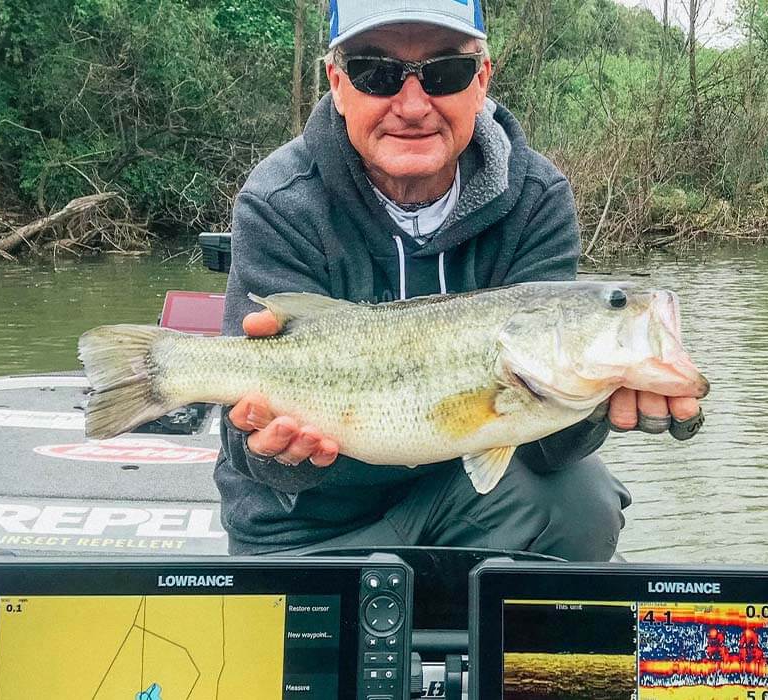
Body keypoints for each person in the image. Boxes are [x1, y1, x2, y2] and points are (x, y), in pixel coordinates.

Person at [214, 0, 703, 558]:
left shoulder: (536, 198)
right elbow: (240, 438)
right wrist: (273, 450)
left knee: (582, 502)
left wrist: (593, 406)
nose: (414, 105)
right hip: (305, 526)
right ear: (337, 83)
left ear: (482, 81)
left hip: (466, 502)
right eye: (377, 74)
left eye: (446, 72)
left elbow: (544, 450)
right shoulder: (280, 201)